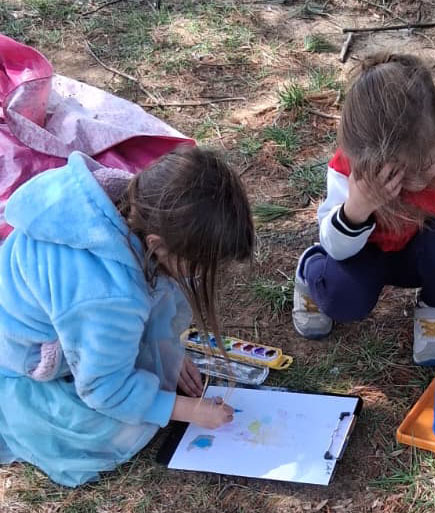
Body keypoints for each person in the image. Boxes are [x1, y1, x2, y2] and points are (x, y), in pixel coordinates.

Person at [0, 146, 254, 486]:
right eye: (198, 265)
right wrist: (187, 410)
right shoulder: (106, 297)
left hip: (67, 317)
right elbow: (105, 390)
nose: (199, 275)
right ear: (156, 244)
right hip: (19, 361)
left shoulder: (128, 203)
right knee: (117, 431)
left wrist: (166, 353)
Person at [292, 53, 435, 365]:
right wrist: (356, 209)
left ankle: (433, 304)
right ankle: (311, 272)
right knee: (344, 300)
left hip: (421, 253)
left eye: (425, 163)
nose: (415, 181)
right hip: (361, 256)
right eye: (399, 171)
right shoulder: (351, 168)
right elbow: (335, 245)